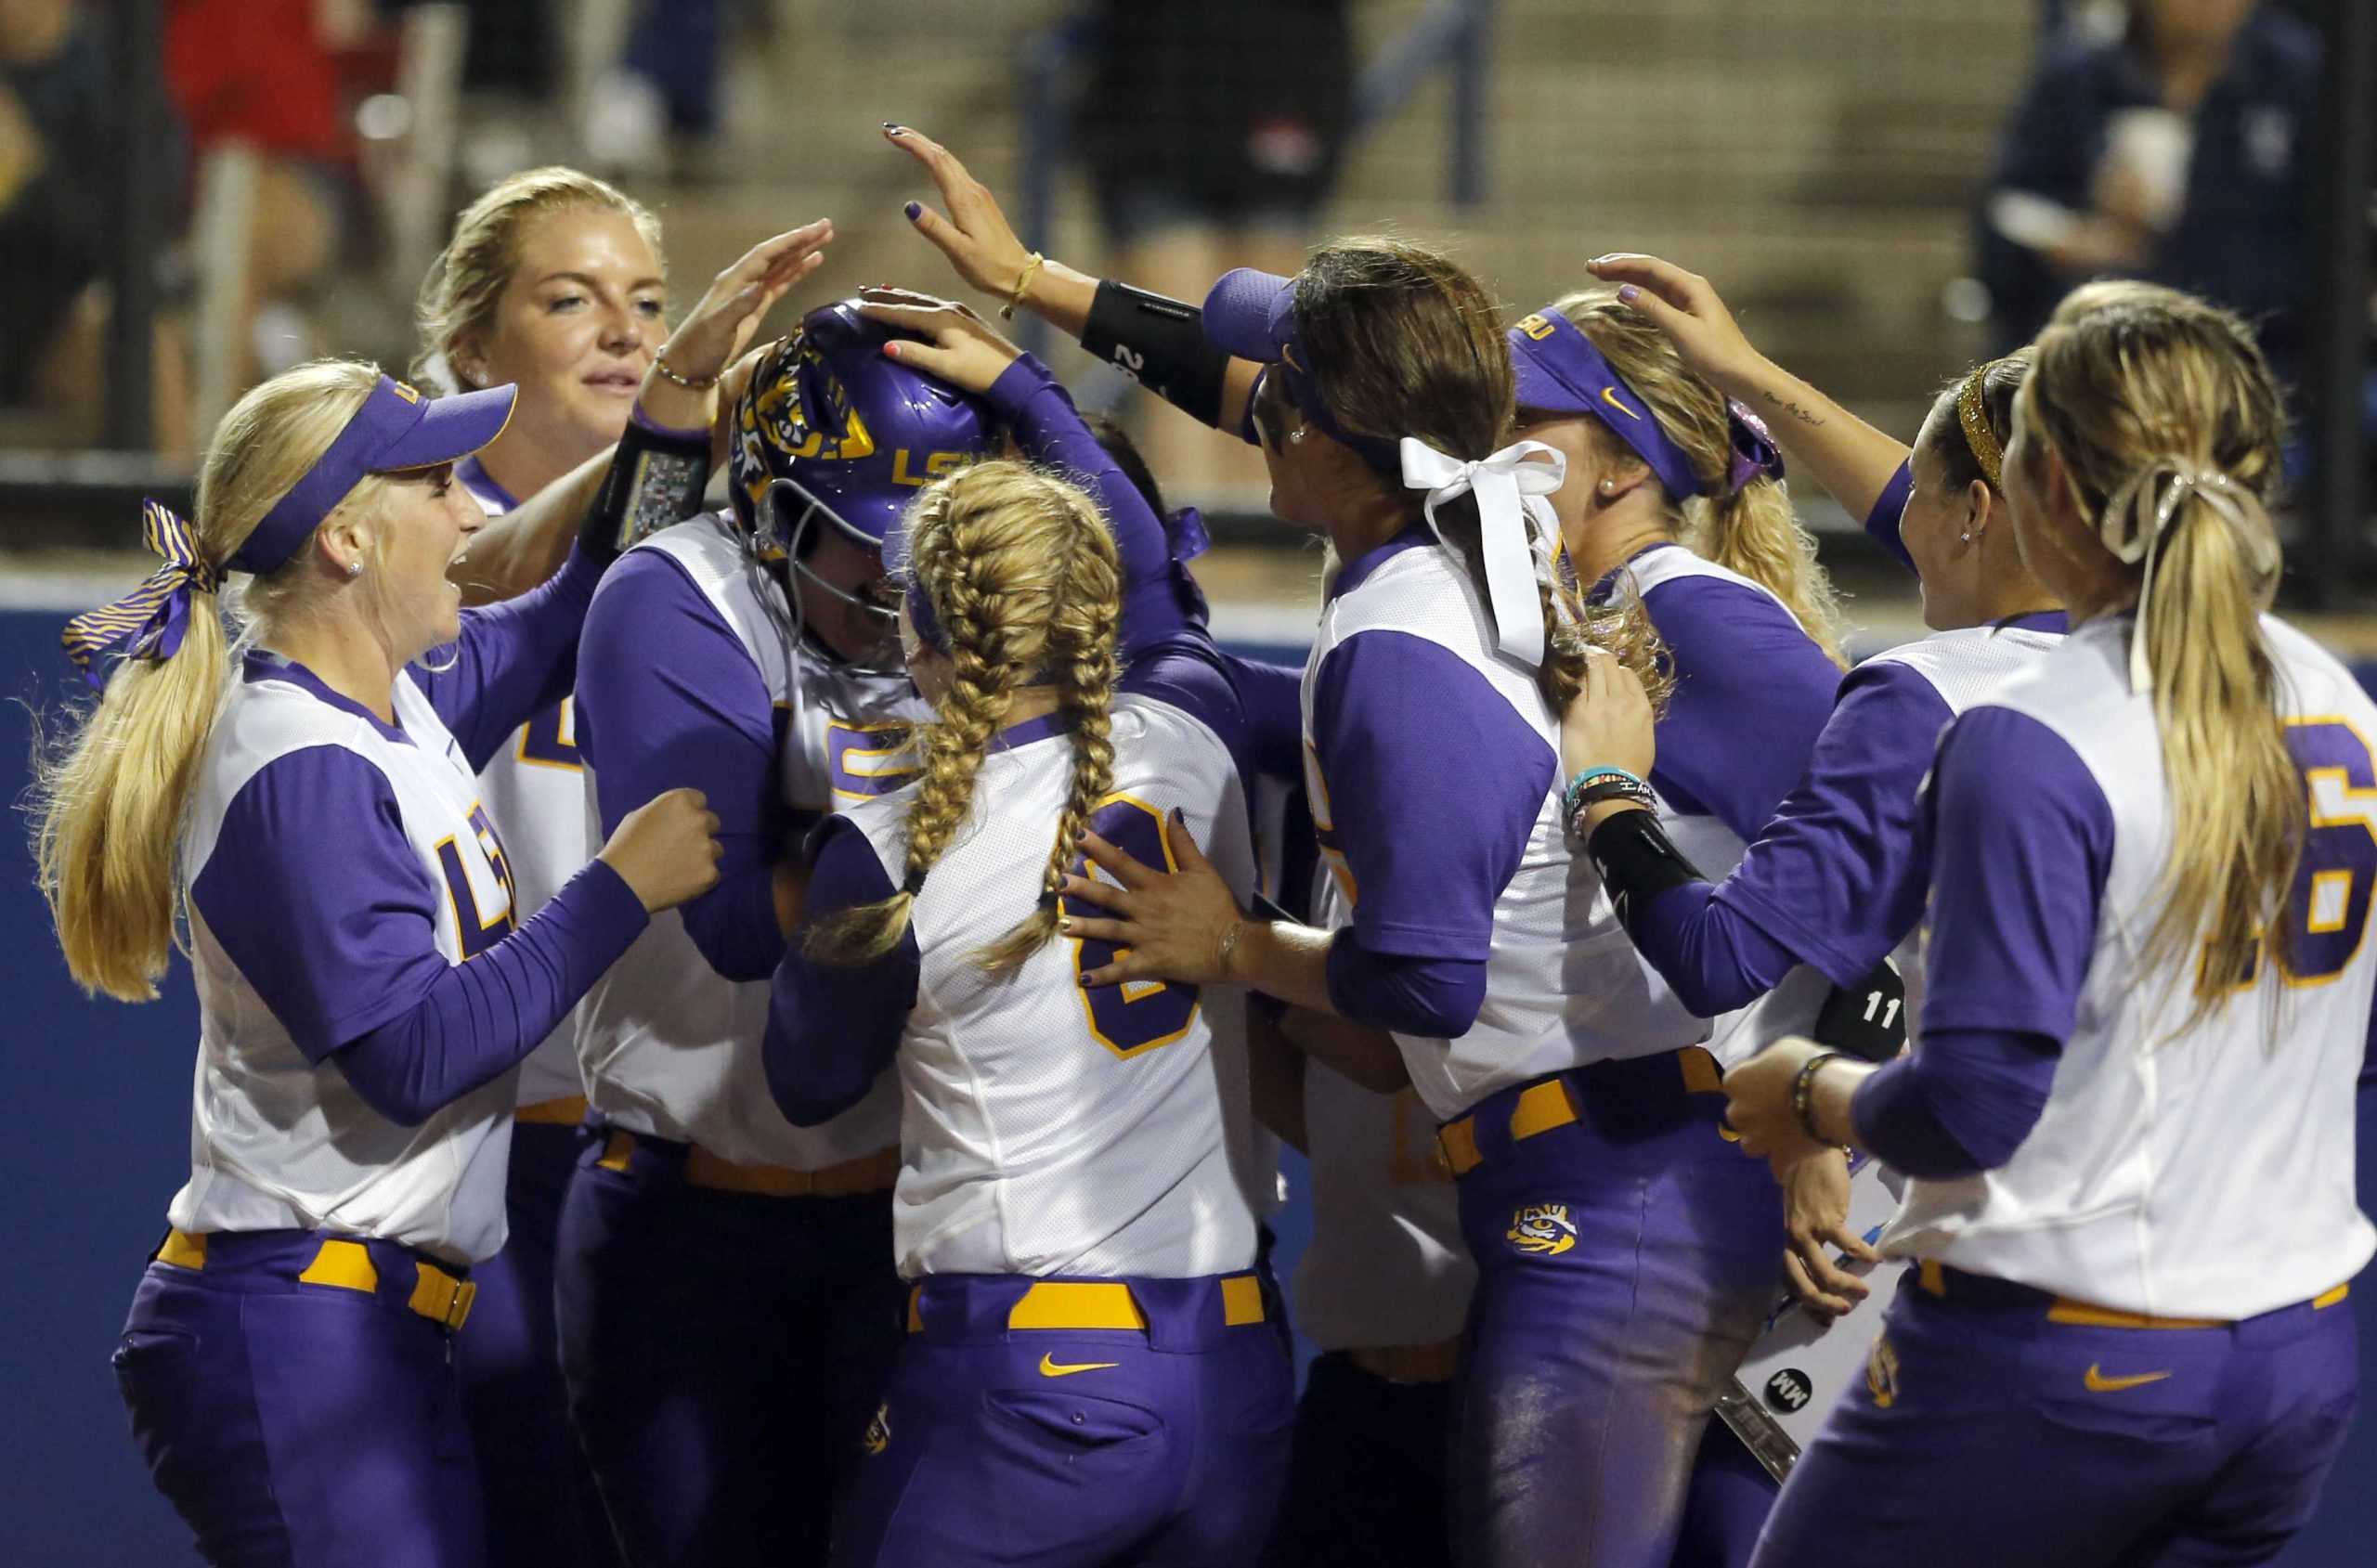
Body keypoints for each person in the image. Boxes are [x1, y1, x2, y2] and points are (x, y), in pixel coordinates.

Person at [34, 336, 737, 1563]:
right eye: (435, 487)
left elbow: (585, 597)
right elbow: (409, 1052)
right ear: (346, 541)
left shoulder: (391, 704)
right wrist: (620, 886)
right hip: (296, 1324)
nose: (471, 511)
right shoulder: (296, 763)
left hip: (361, 1321)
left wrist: (681, 402)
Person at [1696, 286, 2370, 1566]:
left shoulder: (2033, 734)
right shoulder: (2327, 692)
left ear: (2044, 484)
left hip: (2063, 1359)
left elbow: (1975, 1101)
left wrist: (1814, 1092)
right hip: (2295, 1359)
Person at [761, 458, 1291, 1564]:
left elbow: (808, 1081)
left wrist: (788, 881)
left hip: (1029, 1376)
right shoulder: (1196, 738)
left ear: (919, 620)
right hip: (1235, 1367)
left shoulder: (891, 846)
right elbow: (1167, 612)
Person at [555, 290, 993, 1568]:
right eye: (862, 539)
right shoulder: (673, 597)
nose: (901, 579)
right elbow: (741, 924)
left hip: (904, 1219)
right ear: (764, 498)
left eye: (936, 539)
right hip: (693, 1222)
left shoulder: (971, 599)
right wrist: (940, 828)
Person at [411, 163, 669, 1568]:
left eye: (645, 305)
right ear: (470, 346)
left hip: (653, 1152)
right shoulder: (391, 545)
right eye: (570, 301)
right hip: (458, 1145)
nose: (623, 334)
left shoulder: (709, 546)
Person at [1978, 0, 2318, 384]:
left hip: (2251, 367)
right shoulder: (2077, 77)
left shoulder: (2296, 76)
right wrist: (2082, 239)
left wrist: (2173, 252)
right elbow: (2003, 221)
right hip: (2089, 364)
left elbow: (2325, 255)